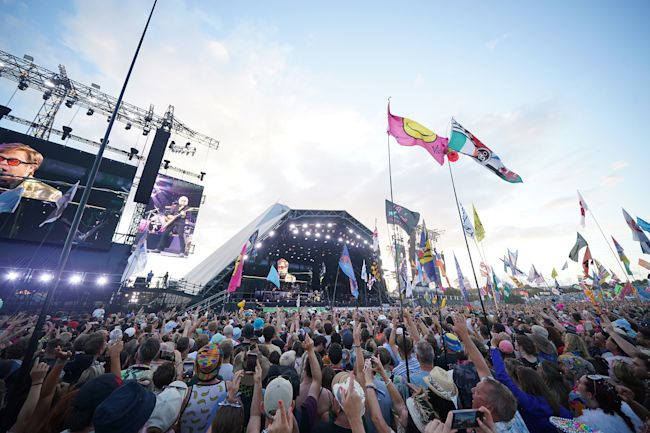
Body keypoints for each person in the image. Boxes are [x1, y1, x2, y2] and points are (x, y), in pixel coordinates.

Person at [575, 375, 643, 433]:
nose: (577, 383)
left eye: (580, 382)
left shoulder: (588, 421)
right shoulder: (622, 406)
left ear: (589, 395)